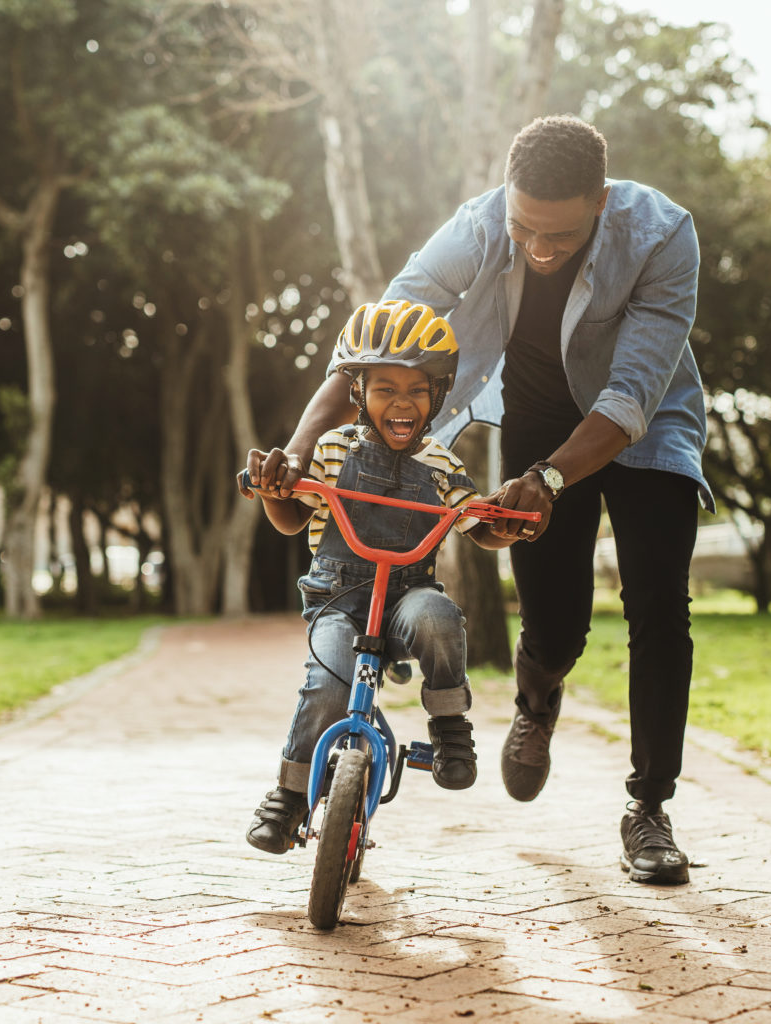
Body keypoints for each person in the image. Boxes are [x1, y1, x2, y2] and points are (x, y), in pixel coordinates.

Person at [256, 115, 712, 885]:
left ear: (600, 202)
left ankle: (649, 808)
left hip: (645, 422)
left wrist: (553, 481)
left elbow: (632, 393)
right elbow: (377, 340)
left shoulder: (663, 235)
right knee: (557, 624)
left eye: (559, 238)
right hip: (538, 415)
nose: (538, 249)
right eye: (525, 229)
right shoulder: (478, 224)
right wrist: (299, 448)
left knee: (659, 604)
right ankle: (538, 699)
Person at [241, 299, 517, 855]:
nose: (402, 402)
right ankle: (290, 796)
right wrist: (274, 491)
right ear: (358, 393)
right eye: (385, 388)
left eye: (418, 390)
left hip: (407, 597)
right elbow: (293, 518)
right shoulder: (329, 449)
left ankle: (449, 727)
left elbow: (478, 525)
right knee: (328, 682)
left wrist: (506, 523)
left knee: (439, 619)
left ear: (437, 396)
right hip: (338, 600)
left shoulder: (441, 464)